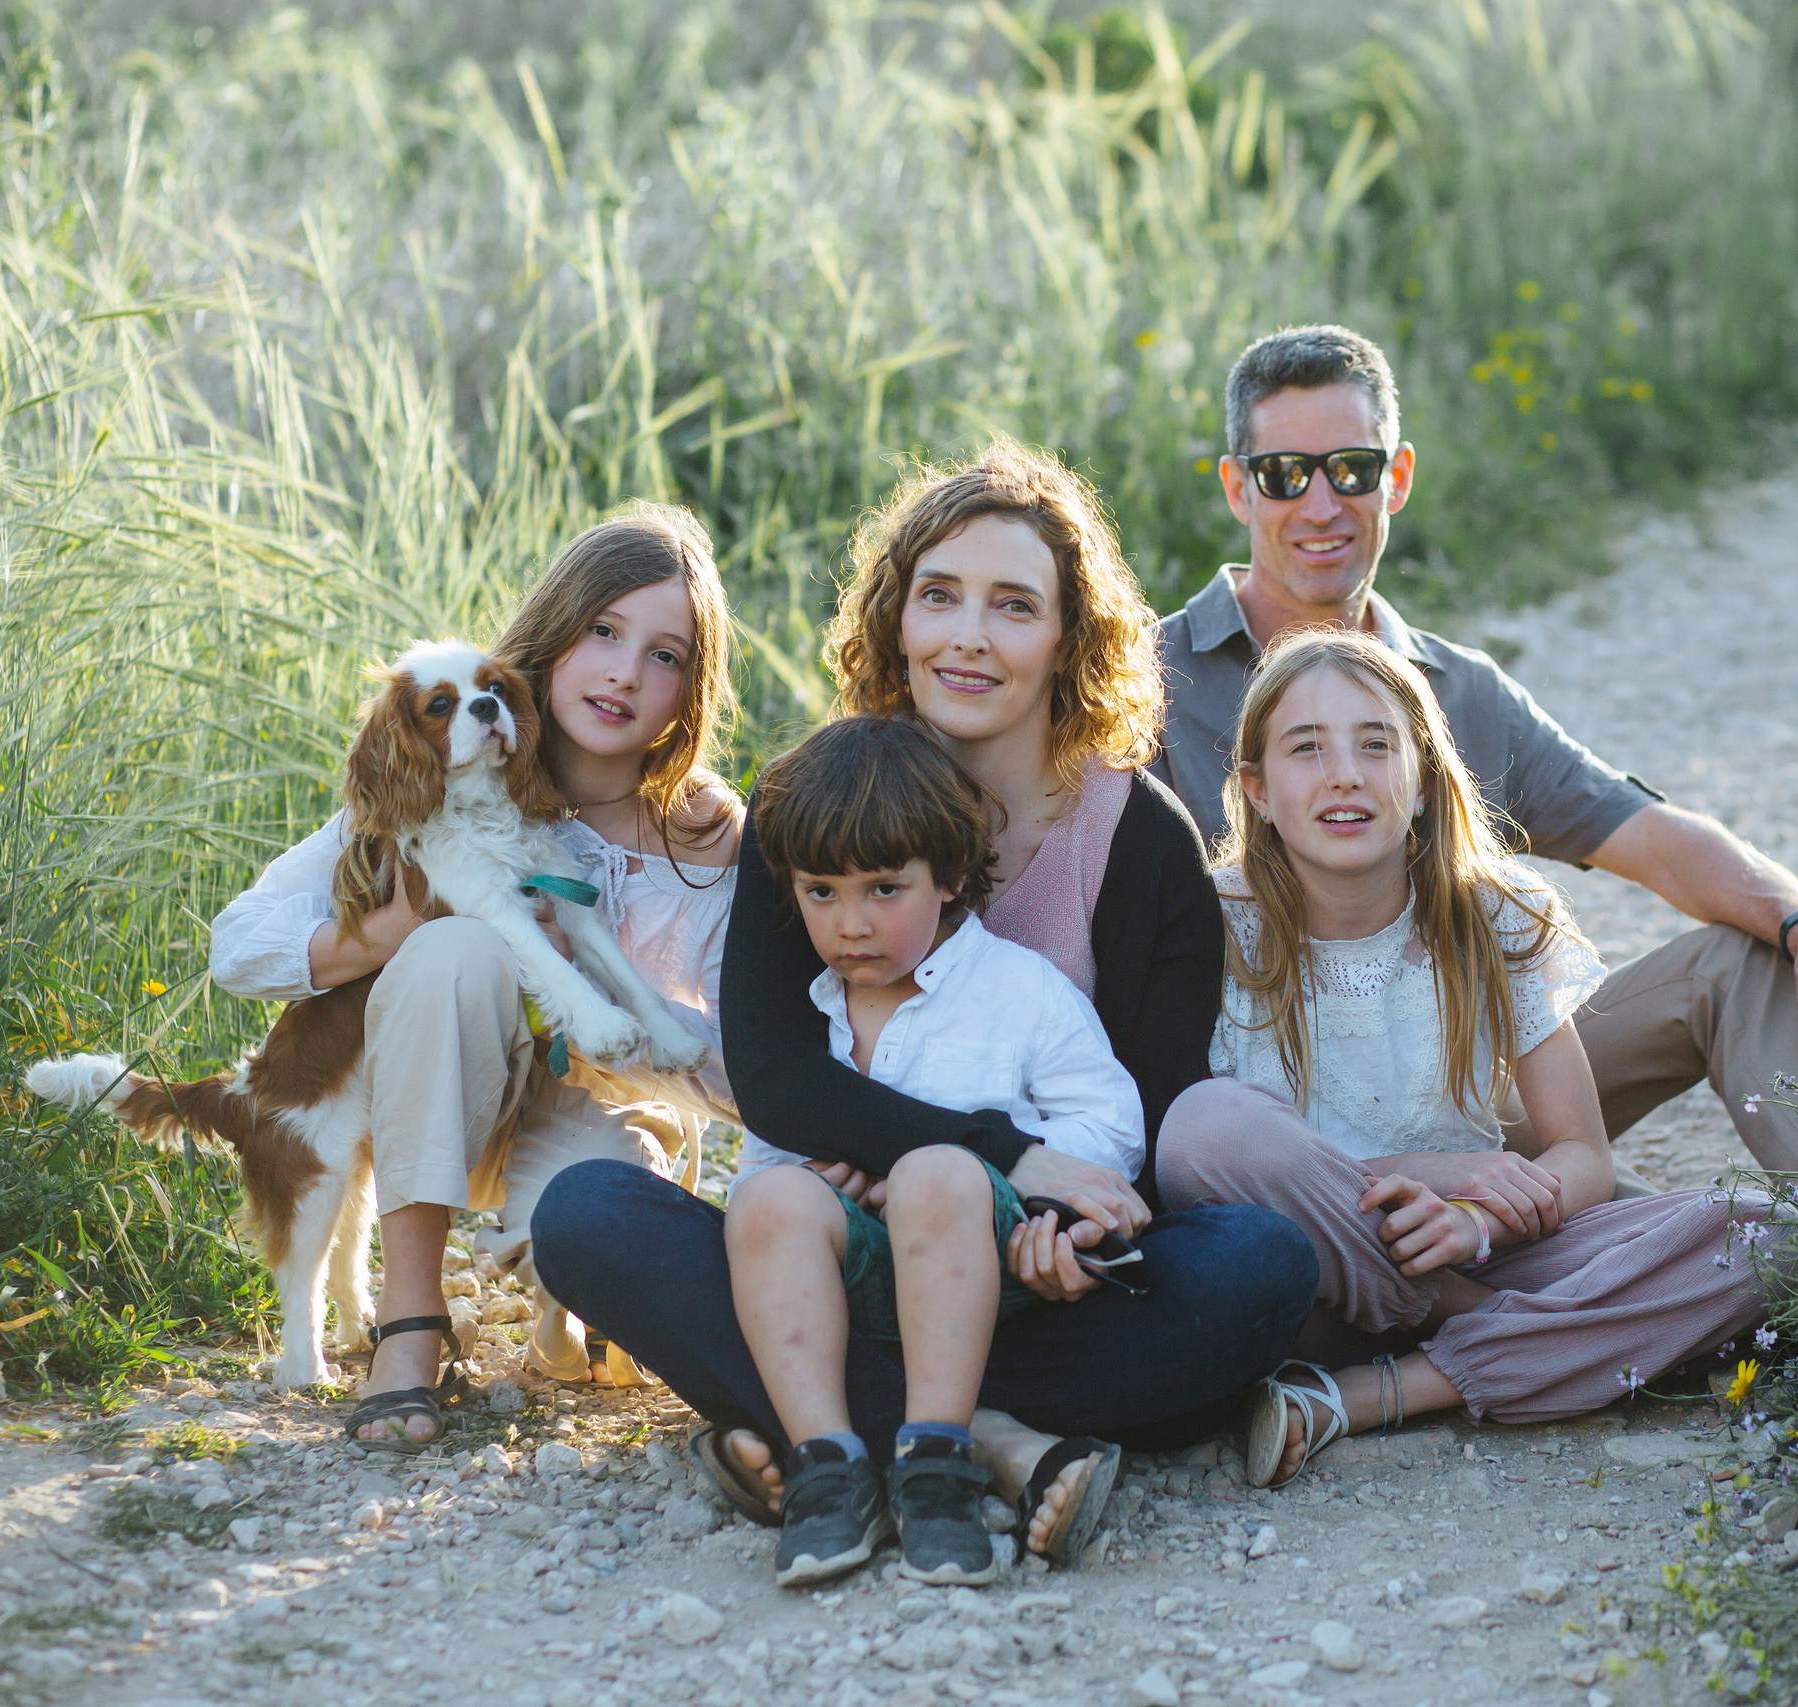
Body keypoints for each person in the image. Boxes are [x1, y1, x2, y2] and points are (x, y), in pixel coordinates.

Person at [532, 441, 1317, 1563]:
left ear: (1067, 639)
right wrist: (1000, 1151)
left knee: (1258, 1266)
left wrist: (1062, 1224)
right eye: (938, 597)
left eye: (1013, 606)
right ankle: (991, 1436)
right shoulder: (812, 800)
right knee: (588, 1216)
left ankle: (823, 1425)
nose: (968, 637)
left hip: (1033, 1279)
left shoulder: (1140, 842)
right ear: (896, 621)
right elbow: (780, 1079)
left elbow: (1139, 1114)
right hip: (825, 1253)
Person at [1151, 325, 1798, 1178]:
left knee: (1747, 954)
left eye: (1351, 469)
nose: (1320, 506)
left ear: (1395, 480)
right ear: (1237, 490)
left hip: (1475, 1107)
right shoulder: (1148, 681)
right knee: (1641, 1240)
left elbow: (1646, 833)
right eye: (1284, 475)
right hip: (1270, 1140)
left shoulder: (1457, 688)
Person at [1156, 629, 1772, 1482]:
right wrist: (1447, 1173)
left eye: (1377, 745)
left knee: (1760, 1233)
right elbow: (1201, 1164)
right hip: (1311, 1281)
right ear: (1256, 790)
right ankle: (1518, 1332)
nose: (1345, 773)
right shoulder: (1219, 924)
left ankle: (1385, 1390)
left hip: (1481, 1252)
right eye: (1307, 749)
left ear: (1420, 783)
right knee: (1206, 1128)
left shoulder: (1494, 913)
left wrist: (1475, 1223)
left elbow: (1583, 1155)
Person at [208, 503, 745, 1451]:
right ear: (555, 632)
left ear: (689, 693)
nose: (626, 670)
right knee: (453, 950)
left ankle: (565, 1318)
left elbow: (746, 1065)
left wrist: (614, 1005)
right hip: (440, 1096)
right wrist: (404, 923)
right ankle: (409, 1322)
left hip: (596, 1107)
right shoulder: (438, 787)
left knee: (606, 1240)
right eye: (604, 631)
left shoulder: (700, 835)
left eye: (666, 655)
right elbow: (238, 946)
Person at [728, 716, 1145, 1587]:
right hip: (854, 1281)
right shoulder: (809, 1015)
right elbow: (769, 1161)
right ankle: (828, 1466)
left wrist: (1050, 1211)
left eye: (885, 889)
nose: (851, 924)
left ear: (951, 876)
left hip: (987, 1270)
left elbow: (1109, 1122)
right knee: (765, 1201)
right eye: (821, 892)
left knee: (939, 1171)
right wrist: (815, 1173)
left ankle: (937, 1464)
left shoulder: (1018, 989)